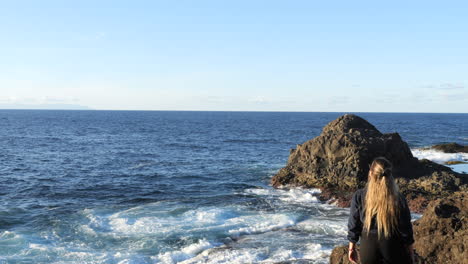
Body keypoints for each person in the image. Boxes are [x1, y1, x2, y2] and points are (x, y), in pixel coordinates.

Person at [347, 157, 414, 264]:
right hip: (392, 246)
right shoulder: (398, 198)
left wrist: (352, 248)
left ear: (370, 173)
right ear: (390, 175)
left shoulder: (359, 195)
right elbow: (405, 227)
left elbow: (353, 224)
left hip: (368, 247)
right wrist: (410, 251)